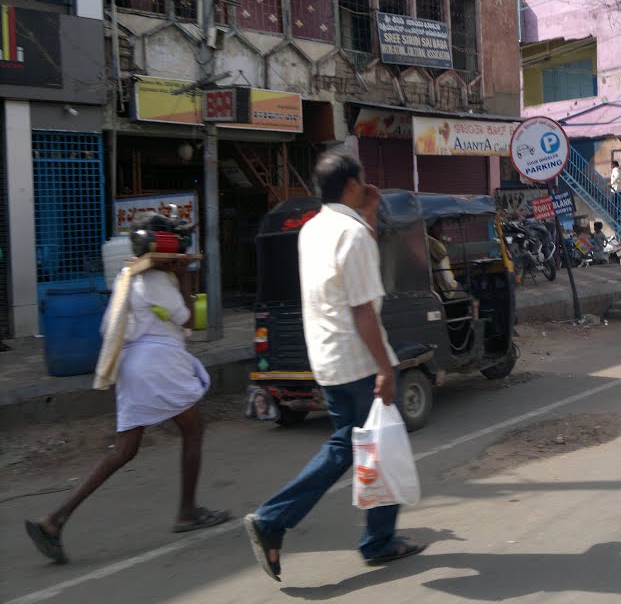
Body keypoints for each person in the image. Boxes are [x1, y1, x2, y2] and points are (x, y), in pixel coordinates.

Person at [243, 149, 423, 582]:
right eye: (362, 182)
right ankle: (275, 518)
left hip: (326, 357)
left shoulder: (313, 229)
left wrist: (372, 210)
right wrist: (384, 368)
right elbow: (363, 308)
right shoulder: (352, 234)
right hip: (360, 358)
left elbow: (356, 271)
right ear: (351, 185)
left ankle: (378, 538)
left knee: (361, 446)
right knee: (364, 446)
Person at [25, 213, 228, 565]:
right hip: (159, 363)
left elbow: (110, 327)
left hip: (132, 365)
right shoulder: (159, 280)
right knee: (193, 430)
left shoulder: (126, 276)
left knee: (124, 450)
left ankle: (55, 520)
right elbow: (190, 320)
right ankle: (187, 511)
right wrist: (184, 278)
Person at [427, 222, 459, 298]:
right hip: (445, 285)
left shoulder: (434, 241)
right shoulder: (431, 241)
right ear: (430, 228)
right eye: (437, 226)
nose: (441, 230)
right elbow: (441, 255)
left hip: (445, 282)